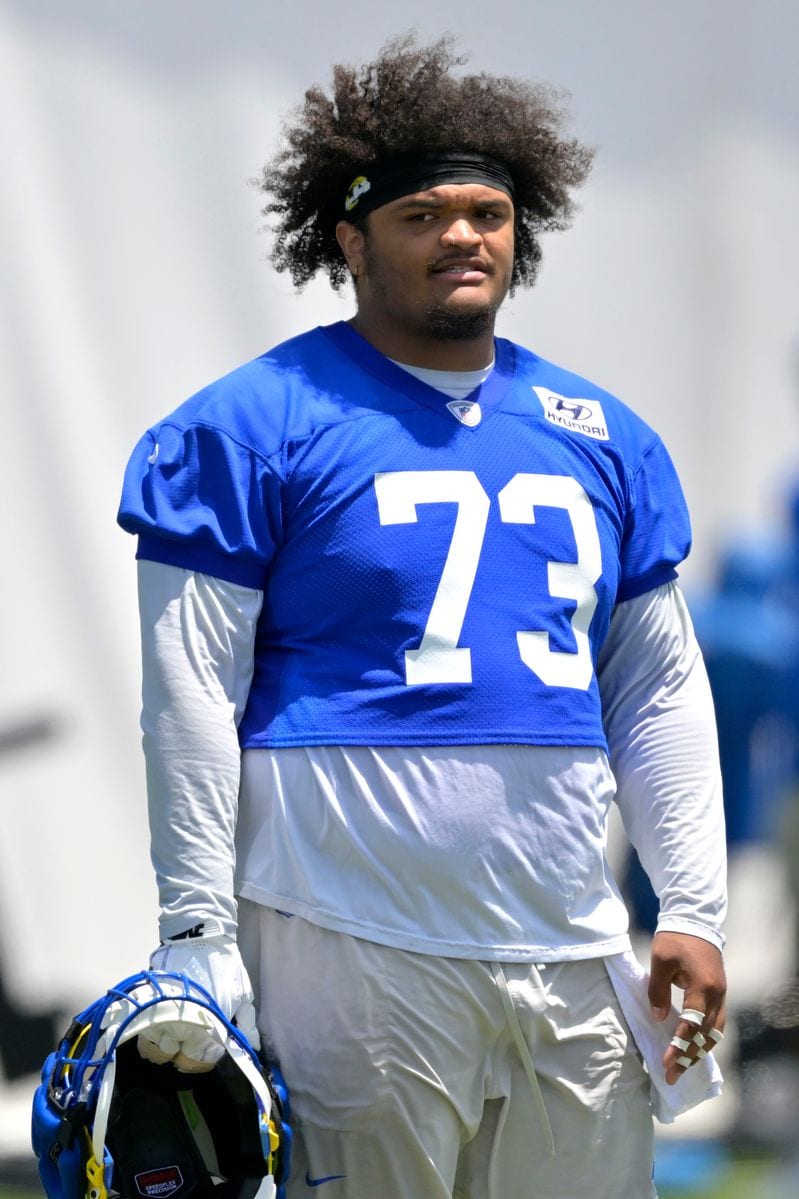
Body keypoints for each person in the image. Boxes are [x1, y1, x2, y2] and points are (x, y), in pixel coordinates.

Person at [118, 34, 728, 1199]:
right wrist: (195, 928)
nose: (463, 236)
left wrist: (690, 904)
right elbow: (189, 685)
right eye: (424, 215)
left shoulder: (602, 433)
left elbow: (654, 685)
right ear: (348, 240)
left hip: (568, 942)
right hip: (351, 936)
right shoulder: (252, 422)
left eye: (488, 213)